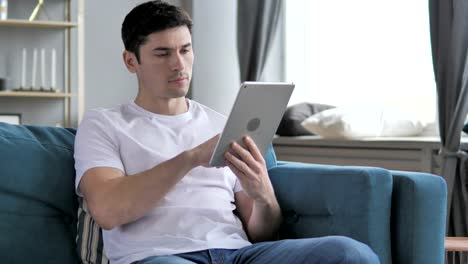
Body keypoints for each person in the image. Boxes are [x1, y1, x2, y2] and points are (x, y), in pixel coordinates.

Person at [74, 1, 380, 264]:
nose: (178, 65)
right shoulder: (104, 124)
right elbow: (108, 211)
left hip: (237, 254)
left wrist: (263, 195)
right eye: (162, 53)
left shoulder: (223, 124)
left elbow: (262, 232)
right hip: (161, 255)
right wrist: (191, 158)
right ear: (131, 61)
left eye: (185, 50)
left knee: (350, 254)